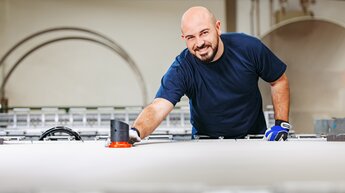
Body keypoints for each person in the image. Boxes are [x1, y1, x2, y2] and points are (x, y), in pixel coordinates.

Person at [129, 6, 290, 143]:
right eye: (191, 37)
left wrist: (281, 124)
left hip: (253, 139)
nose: (199, 43)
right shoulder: (182, 67)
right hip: (206, 143)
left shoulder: (249, 48)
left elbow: (278, 80)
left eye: (204, 32)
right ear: (183, 38)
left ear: (218, 28)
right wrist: (135, 132)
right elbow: (158, 107)